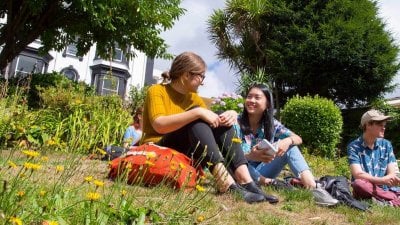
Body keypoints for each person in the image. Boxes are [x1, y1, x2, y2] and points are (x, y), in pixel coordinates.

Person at [140, 52, 278, 204]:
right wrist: (197, 112)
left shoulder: (193, 98)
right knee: (196, 120)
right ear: (186, 75)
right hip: (157, 148)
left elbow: (212, 121)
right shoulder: (157, 91)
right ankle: (225, 183)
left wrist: (230, 114)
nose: (202, 82)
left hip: (185, 151)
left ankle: (245, 180)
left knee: (219, 119)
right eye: (201, 76)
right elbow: (159, 125)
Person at [234, 83, 339, 206]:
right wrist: (251, 156)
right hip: (241, 172)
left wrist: (287, 141)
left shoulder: (272, 124)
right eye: (249, 96)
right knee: (241, 163)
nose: (251, 100)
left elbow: (298, 138)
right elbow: (229, 156)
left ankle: (313, 188)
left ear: (267, 104)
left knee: (291, 147)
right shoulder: (236, 122)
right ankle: (269, 182)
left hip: (263, 170)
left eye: (257, 97)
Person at [347, 109, 400, 206]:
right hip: (367, 188)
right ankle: (393, 200)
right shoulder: (354, 146)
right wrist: (382, 180)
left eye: (384, 125)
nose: (383, 128)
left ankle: (384, 201)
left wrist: (390, 179)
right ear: (368, 125)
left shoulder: (386, 145)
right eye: (380, 125)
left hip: (385, 189)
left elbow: (392, 173)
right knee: (359, 184)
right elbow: (358, 174)